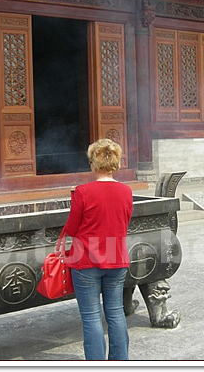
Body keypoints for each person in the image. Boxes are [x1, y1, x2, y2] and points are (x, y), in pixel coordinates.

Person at [63, 139, 133, 360]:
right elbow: (124, 221)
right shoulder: (126, 191)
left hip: (86, 260)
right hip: (117, 258)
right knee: (115, 313)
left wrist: (75, 199)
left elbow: (71, 229)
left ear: (93, 163)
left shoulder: (83, 192)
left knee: (92, 317)